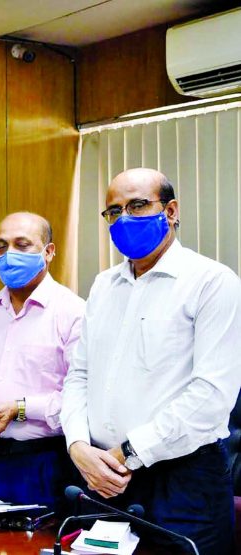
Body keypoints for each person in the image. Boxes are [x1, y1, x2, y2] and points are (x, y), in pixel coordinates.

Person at [62, 168, 241, 554]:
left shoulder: (212, 282)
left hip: (183, 483)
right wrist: (77, 445)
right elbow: (79, 374)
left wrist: (126, 454)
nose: (125, 218)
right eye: (114, 210)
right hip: (104, 479)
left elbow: (211, 396)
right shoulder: (103, 285)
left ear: (171, 210)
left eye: (138, 205)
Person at [0, 212, 84, 511]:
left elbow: (82, 398)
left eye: (22, 245)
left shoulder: (73, 313)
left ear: (49, 252)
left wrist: (20, 409)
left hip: (43, 462)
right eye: (1, 246)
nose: (9, 255)